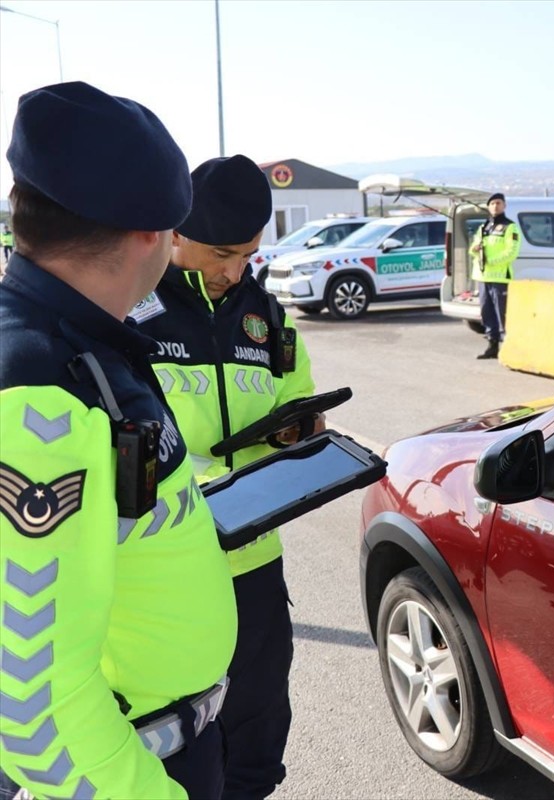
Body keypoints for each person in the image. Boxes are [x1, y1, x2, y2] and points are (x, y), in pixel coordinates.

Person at [0, 81, 236, 800]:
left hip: (155, 741)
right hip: (130, 766)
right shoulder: (41, 392)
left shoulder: (75, 346)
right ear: (150, 233)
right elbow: (31, 711)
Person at [134, 154, 320, 800]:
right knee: (175, 742)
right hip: (165, 567)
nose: (234, 272)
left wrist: (300, 428)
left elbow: (295, 396)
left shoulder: (268, 317)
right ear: (175, 234)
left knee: (258, 733)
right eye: (221, 254)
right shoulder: (127, 313)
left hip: (255, 560)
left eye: (247, 256)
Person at [470, 192, 522, 359]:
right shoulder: (483, 227)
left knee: (503, 314)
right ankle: (492, 346)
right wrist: (475, 250)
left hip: (500, 277)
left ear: (504, 206)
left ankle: (508, 347)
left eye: (499, 203)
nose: (495, 206)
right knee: (487, 313)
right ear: (488, 207)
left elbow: (511, 252)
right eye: (492, 203)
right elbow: (472, 249)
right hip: (483, 277)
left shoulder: (510, 227)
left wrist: (491, 261)